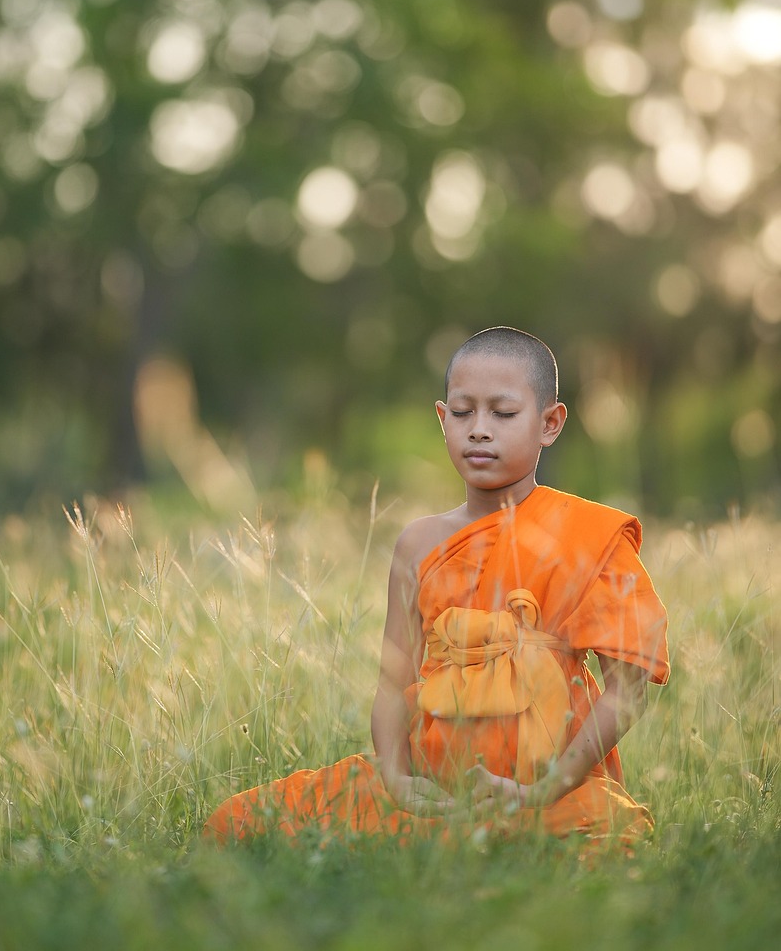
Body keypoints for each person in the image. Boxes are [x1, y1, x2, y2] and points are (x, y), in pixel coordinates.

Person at [205, 327, 669, 846]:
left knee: (601, 843)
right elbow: (391, 682)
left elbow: (626, 688)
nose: (480, 430)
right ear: (442, 419)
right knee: (237, 822)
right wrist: (398, 780)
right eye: (463, 412)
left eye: (504, 413)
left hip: (551, 791)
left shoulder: (589, 535)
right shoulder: (418, 543)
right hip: (432, 785)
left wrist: (545, 789)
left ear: (550, 423)